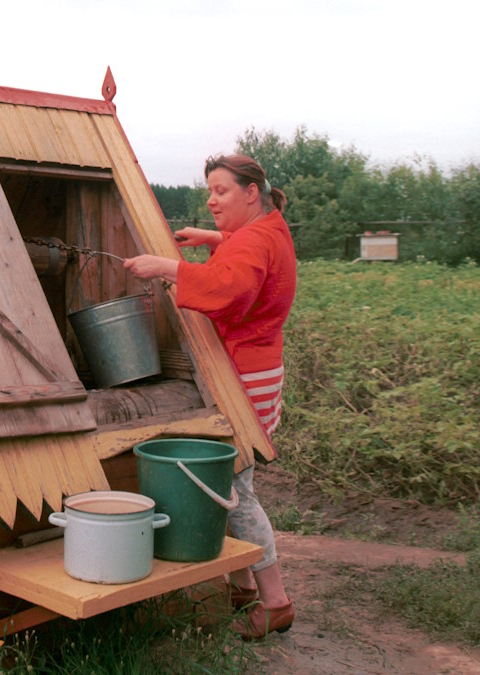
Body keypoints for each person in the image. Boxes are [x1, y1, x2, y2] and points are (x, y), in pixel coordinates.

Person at [123, 154, 297, 640]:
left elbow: (232, 285)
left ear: (250, 192)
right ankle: (241, 586)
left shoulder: (256, 241)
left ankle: (276, 600)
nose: (211, 199)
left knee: (236, 492)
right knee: (232, 481)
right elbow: (245, 250)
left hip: (245, 372)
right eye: (209, 191)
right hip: (258, 368)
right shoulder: (269, 227)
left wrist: (169, 267)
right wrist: (210, 239)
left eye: (221, 191)